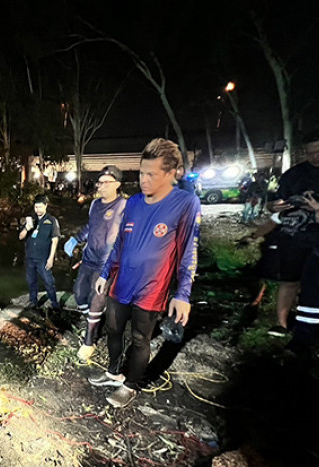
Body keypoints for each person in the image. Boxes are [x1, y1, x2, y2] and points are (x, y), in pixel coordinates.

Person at [90, 138, 201, 408]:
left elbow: (189, 251)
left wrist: (183, 293)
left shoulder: (186, 203)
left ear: (171, 173)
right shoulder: (134, 203)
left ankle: (130, 385)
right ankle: (113, 371)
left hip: (152, 288)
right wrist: (106, 273)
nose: (144, 179)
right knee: (114, 328)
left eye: (151, 174)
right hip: (121, 282)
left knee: (141, 338)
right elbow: (120, 243)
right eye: (141, 172)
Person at [242, 129, 319, 336]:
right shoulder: (294, 175)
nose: (315, 156)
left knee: (317, 284)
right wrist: (274, 206)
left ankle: (313, 329)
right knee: (289, 281)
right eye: (310, 152)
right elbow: (274, 207)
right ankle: (282, 323)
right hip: (292, 239)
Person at [63, 166, 126, 361]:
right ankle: (92, 323)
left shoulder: (124, 206)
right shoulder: (95, 205)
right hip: (89, 258)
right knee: (79, 294)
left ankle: (89, 341)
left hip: (107, 262)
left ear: (117, 184)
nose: (102, 186)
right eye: (100, 182)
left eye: (107, 182)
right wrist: (75, 239)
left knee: (96, 299)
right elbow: (91, 227)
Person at [285, 192, 319, 360]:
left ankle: (302, 343)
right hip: (318, 266)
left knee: (312, 305)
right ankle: (302, 343)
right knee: (310, 305)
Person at [19, 194, 61, 311]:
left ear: (46, 206)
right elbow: (20, 236)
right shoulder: (31, 220)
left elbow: (55, 240)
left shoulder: (51, 221)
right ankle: (33, 302)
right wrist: (26, 228)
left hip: (43, 258)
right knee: (31, 281)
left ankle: (54, 303)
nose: (38, 210)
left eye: (40, 207)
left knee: (48, 281)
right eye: (36, 207)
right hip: (30, 257)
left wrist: (51, 258)